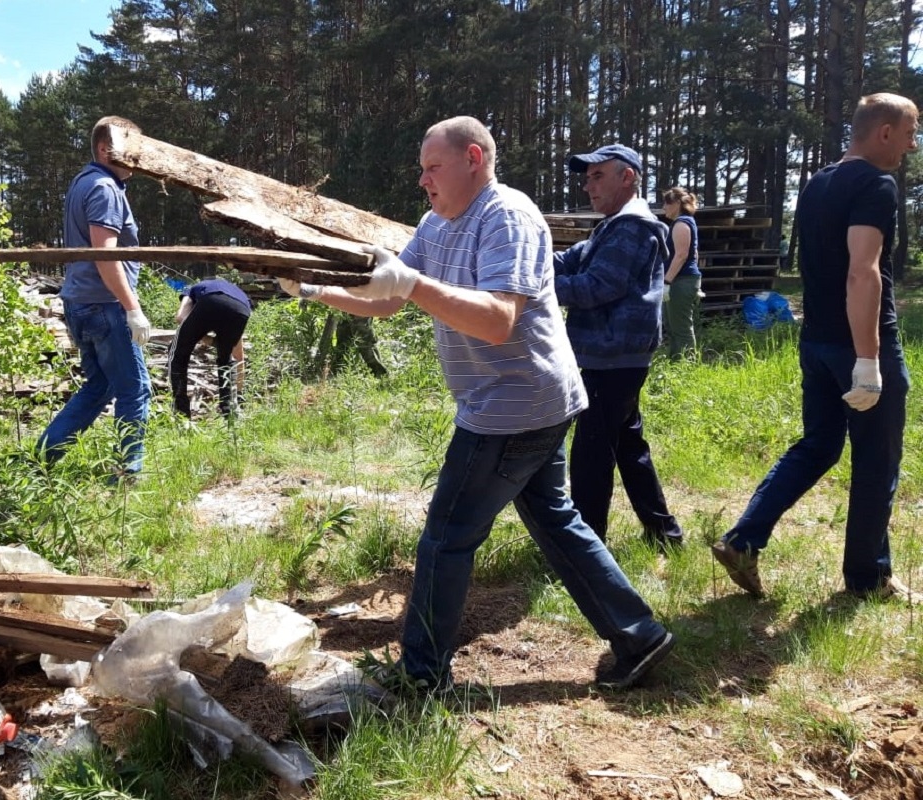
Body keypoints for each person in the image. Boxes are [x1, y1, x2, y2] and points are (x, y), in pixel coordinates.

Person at [278, 117, 673, 692]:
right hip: (530, 399)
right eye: (422, 169)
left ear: (473, 158)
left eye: (432, 167)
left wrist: (411, 285)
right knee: (558, 522)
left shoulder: (505, 216)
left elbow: (495, 320)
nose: (422, 180)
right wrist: (312, 288)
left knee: (446, 538)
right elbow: (387, 298)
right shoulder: (438, 221)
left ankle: (422, 675)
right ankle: (639, 635)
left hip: (514, 404)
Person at [712, 93, 919, 601]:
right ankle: (868, 579)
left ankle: (743, 539)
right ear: (885, 132)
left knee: (819, 444)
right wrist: (868, 359)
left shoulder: (817, 183)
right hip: (858, 345)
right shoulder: (876, 183)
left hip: (817, 343)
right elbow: (862, 270)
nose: (913, 146)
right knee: (876, 460)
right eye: (911, 133)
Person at [553, 144, 684, 549]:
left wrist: (530, 288)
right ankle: (664, 533)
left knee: (592, 453)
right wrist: (522, 258)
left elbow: (596, 287)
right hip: (614, 357)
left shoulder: (631, 227)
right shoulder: (611, 226)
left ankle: (585, 548)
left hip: (610, 359)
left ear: (627, 177)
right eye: (586, 178)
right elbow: (569, 261)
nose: (588, 187)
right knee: (628, 445)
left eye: (597, 176)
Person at [38, 116, 152, 477]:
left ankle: (42, 460)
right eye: (130, 148)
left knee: (100, 386)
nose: (137, 157)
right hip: (105, 306)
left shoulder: (83, 182)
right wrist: (132, 308)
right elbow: (106, 255)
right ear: (106, 149)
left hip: (81, 302)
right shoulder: (104, 188)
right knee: (135, 390)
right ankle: (128, 474)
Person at [169, 277, 251, 417]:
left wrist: (204, 338)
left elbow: (181, 317)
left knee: (178, 355)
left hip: (211, 301)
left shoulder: (193, 288)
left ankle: (181, 413)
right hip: (242, 309)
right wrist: (239, 390)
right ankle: (230, 413)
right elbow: (238, 354)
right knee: (226, 361)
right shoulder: (236, 293)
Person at [660, 187, 702, 360]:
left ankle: (687, 366)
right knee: (672, 325)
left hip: (680, 281)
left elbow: (682, 255)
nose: (664, 208)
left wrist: (667, 282)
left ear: (677, 203)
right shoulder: (685, 222)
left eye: (666, 203)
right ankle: (676, 361)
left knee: (681, 327)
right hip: (682, 280)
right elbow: (696, 254)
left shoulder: (681, 223)